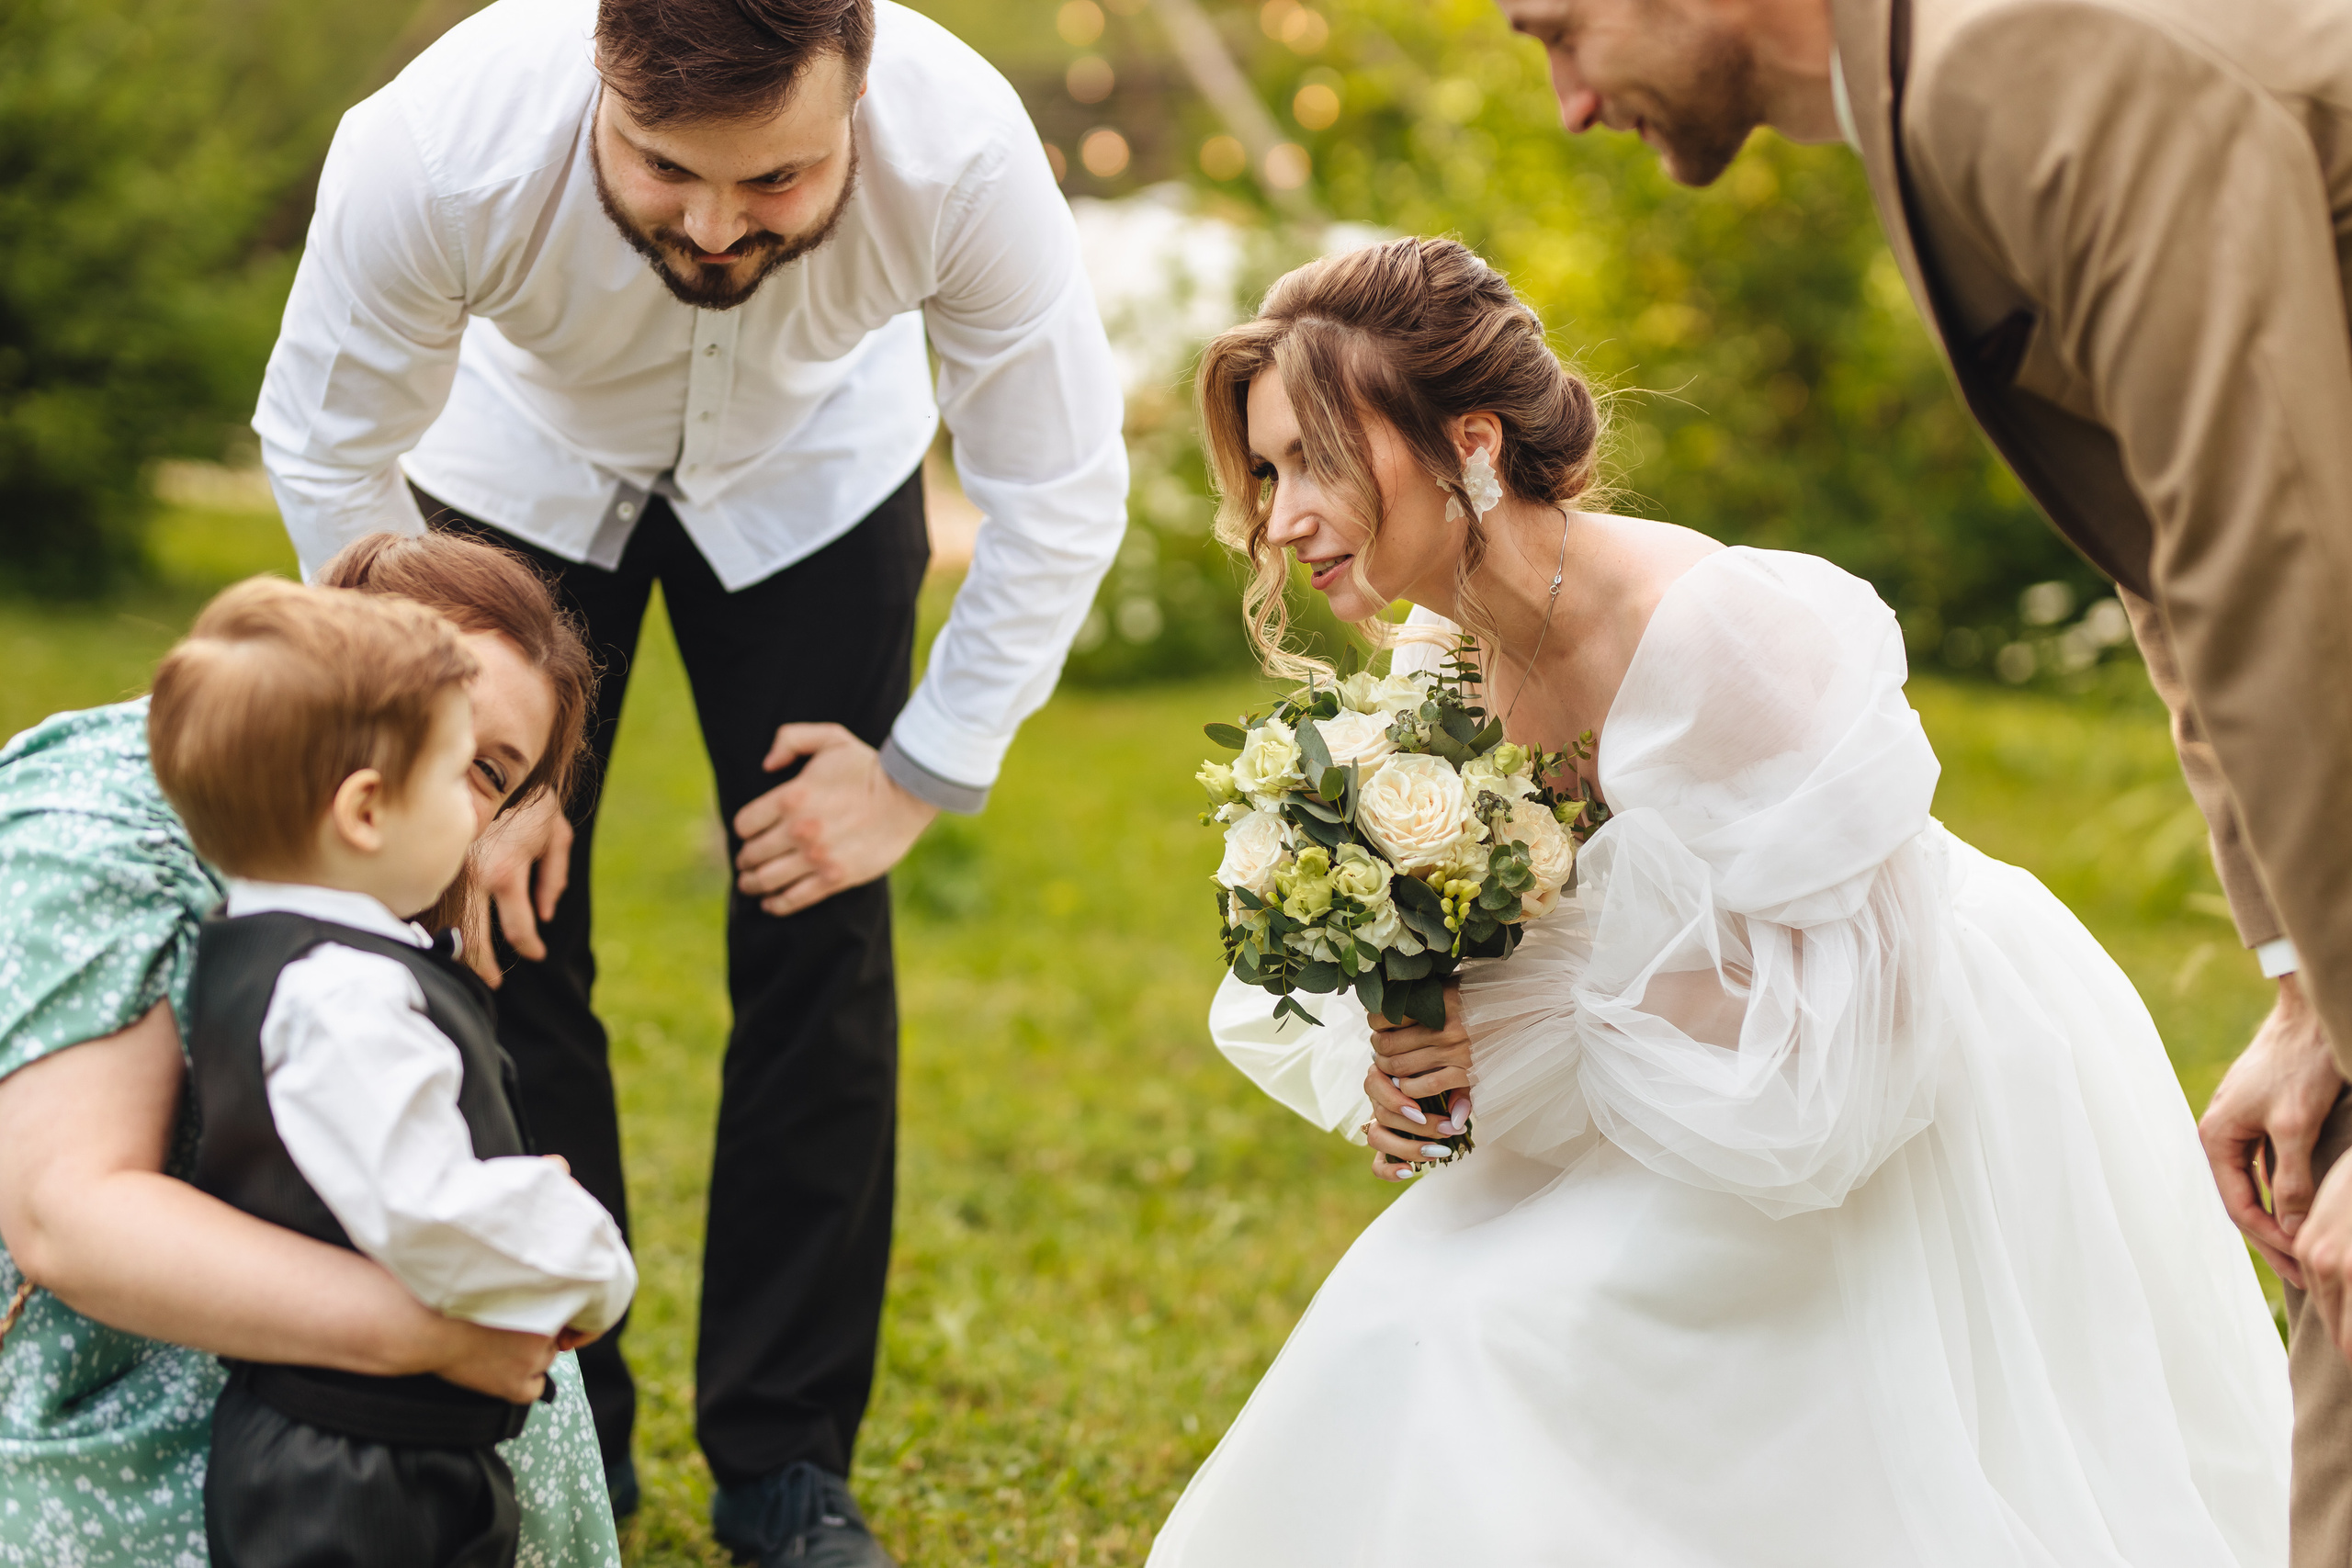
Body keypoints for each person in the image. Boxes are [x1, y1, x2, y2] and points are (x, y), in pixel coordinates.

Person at [1149, 237, 2290, 1565]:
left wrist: (1528, 1038)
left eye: (1318, 461)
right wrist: (1419, 1027)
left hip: (1882, 1078)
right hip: (1683, 1087)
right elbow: (1504, 918)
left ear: (1467, 441)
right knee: (1399, 1315)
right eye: (1274, 469)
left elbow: (1826, 1076)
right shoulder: (1443, 645)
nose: (1283, 516)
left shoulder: (1718, 633)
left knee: (1508, 1328)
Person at [251, 0, 1125, 1553]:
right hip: (511, 483)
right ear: (600, 78)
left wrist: (919, 773)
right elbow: (325, 445)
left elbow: (1057, 485)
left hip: (816, 482)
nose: (718, 226)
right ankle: (564, 1418)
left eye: (779, 182)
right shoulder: (437, 146)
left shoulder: (968, 148)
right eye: (665, 171)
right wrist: (461, 765)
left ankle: (789, 1461)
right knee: (499, 936)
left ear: (862, 94)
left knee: (820, 937)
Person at [1485, 0, 2352, 1555]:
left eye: (1561, 32)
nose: (1568, 103)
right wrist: (2304, 987)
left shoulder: (2028, 60)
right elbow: (2175, 568)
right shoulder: (1940, 100)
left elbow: (2271, 559)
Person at [0, 530, 618, 1567]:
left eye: (488, 768)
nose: (437, 766)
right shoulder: (106, 820)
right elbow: (68, 1217)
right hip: (100, 1340)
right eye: (436, 706)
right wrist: (437, 1336)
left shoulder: (382, 869)